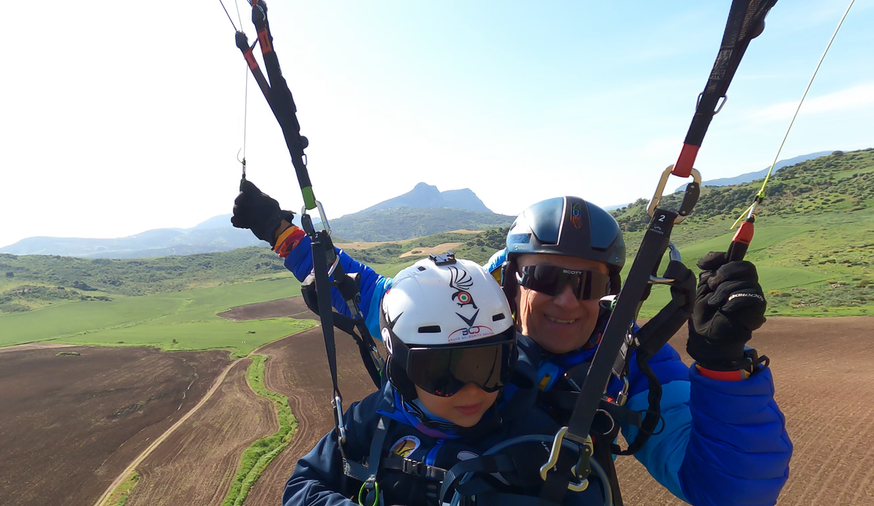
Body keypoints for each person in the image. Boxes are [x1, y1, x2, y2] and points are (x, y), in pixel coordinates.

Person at [233, 183, 793, 506]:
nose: (566, 301)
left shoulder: (627, 363)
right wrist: (282, 234)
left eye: (588, 283)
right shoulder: (457, 311)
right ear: (508, 279)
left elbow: (731, 492)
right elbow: (357, 287)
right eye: (545, 277)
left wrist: (722, 368)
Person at [282, 256, 604, 506]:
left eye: (489, 365)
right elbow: (303, 485)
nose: (472, 389)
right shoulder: (375, 418)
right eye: (442, 374)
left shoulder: (541, 442)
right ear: (403, 371)